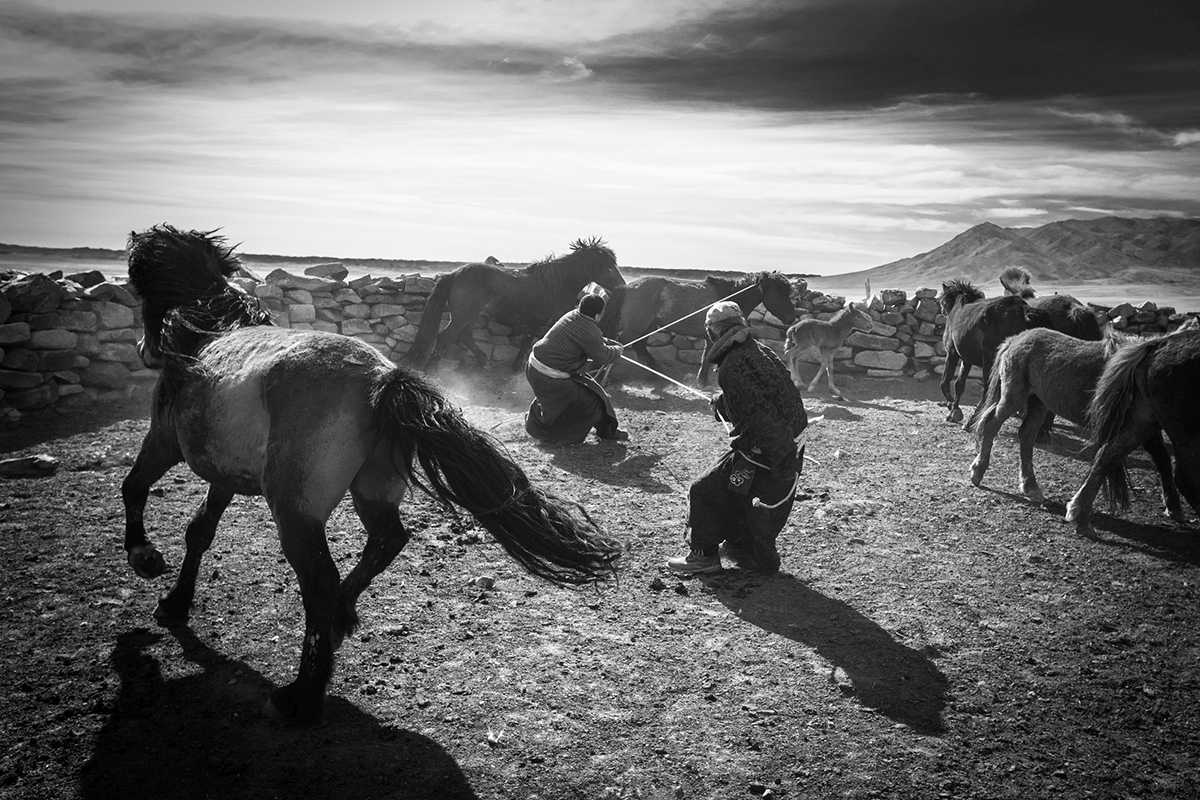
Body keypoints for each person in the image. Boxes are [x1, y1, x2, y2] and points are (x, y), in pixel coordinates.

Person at [668, 301, 808, 574]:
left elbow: (760, 415)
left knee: (703, 490)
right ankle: (745, 550)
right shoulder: (760, 351)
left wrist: (780, 462)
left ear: (712, 333)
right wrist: (723, 403)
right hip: (787, 444)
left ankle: (703, 555)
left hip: (771, 451)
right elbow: (766, 396)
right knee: (737, 492)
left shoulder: (732, 366)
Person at [524, 293, 629, 444]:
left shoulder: (572, 315)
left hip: (534, 368)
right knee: (593, 402)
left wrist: (607, 342)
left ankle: (608, 430)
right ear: (599, 314)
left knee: (593, 391)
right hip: (550, 377)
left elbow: (590, 339)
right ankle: (557, 436)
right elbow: (604, 356)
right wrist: (618, 350)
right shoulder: (588, 330)